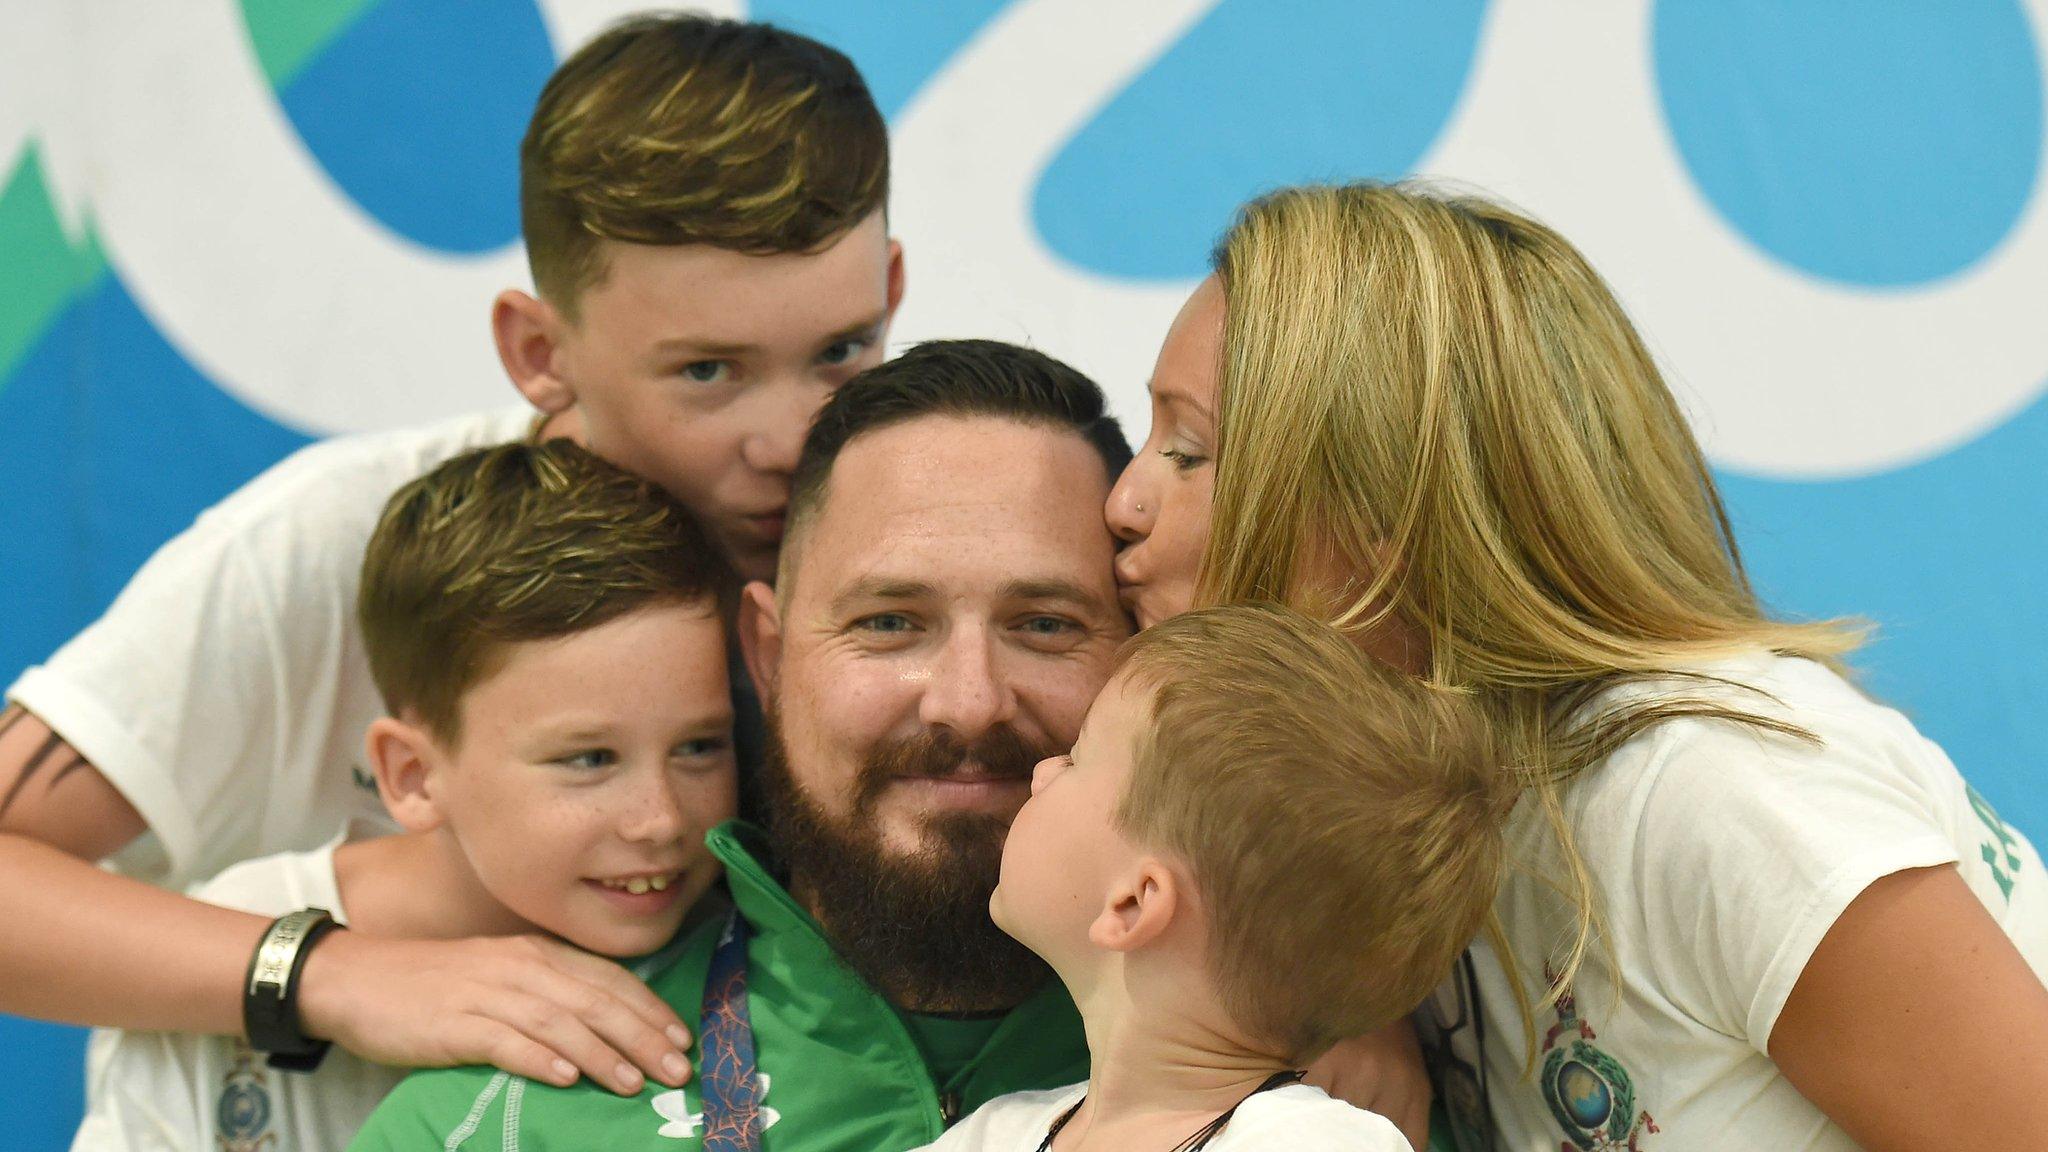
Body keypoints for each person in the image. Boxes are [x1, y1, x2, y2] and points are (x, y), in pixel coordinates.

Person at [0, 12, 899, 1096]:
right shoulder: (334, 539)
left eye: (840, 352)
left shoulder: (935, 566)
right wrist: (332, 972)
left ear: (891, 287)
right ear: (536, 350)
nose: (789, 440)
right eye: (707, 371)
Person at [1104, 180, 2048, 1151]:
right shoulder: (1420, 820)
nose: (1122, 503)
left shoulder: (1711, 792)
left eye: (1187, 451)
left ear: (1392, 514)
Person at [349, 339, 1134, 1150]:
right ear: (768, 659)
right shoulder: (481, 1128)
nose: (969, 703)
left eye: (1045, 625)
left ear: (1147, 652)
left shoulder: (1266, 1058)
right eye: (889, 623)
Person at [72, 440, 740, 1151]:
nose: (661, 819)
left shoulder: (759, 948)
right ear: (412, 776)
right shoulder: (214, 963)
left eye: (700, 746)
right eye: (589, 759)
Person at [921, 603, 1503, 1152]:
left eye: (1077, 756)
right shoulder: (993, 1136)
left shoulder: (1312, 1142)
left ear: (1132, 904)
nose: (1042, 772)